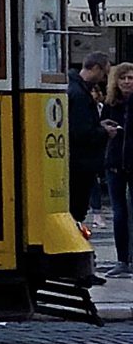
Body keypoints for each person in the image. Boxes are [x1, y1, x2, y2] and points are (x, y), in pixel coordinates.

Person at [68, 50, 111, 225]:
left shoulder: (75, 89)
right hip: (81, 162)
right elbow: (81, 132)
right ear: (95, 68)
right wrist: (104, 132)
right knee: (77, 209)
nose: (103, 78)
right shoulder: (79, 95)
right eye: (103, 73)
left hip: (79, 161)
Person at [104, 61, 133, 273]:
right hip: (114, 164)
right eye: (122, 78)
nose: (126, 82)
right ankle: (123, 259)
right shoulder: (111, 104)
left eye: (130, 78)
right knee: (119, 213)